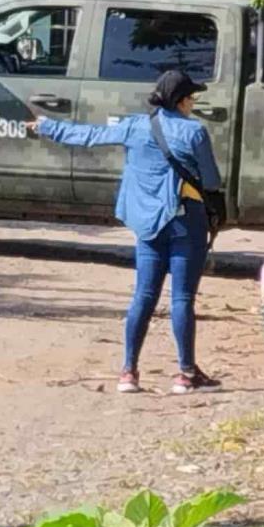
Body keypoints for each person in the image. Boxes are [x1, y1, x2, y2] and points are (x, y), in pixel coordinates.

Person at [27, 70, 224, 394]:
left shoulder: (134, 125)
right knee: (182, 298)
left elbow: (89, 136)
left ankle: (128, 372)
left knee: (143, 296)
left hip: (146, 223)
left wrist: (48, 126)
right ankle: (186, 374)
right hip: (185, 222)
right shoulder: (194, 132)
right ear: (181, 100)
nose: (193, 103)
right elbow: (212, 180)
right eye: (192, 98)